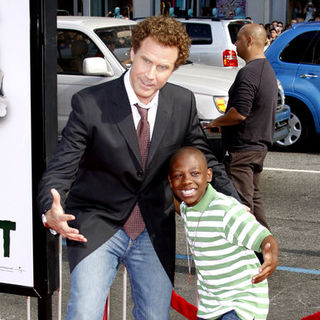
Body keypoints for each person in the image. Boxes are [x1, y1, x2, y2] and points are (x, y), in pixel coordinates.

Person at [37, 15, 238, 320]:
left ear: (174, 68)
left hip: (153, 228)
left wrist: (235, 204)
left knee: (155, 316)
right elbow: (61, 167)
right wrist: (50, 209)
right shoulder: (91, 103)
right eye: (146, 61)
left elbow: (205, 158)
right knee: (84, 313)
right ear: (131, 52)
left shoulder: (182, 103)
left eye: (163, 67)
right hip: (98, 223)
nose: (150, 75)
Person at [168, 146, 279, 320]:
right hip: (213, 305)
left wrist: (270, 254)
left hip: (241, 303)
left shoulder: (226, 209)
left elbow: (262, 236)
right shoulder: (187, 208)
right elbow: (177, 206)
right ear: (170, 181)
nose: (187, 181)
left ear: (209, 175)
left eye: (195, 173)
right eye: (178, 176)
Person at [205, 23, 278, 230]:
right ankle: (264, 251)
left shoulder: (250, 72)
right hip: (258, 145)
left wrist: (216, 122)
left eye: (237, 39)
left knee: (241, 206)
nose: (235, 44)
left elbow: (239, 113)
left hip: (243, 149)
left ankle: (249, 255)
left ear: (249, 40)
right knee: (254, 200)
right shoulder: (267, 70)